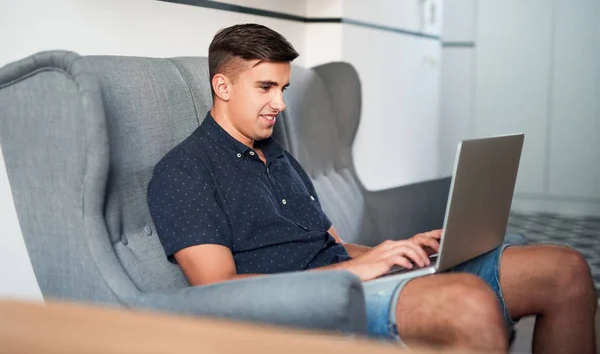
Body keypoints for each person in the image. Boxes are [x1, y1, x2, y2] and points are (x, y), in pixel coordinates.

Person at [147, 23, 597, 353]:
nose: (280, 104)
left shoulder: (278, 156)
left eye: (283, 88)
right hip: (311, 306)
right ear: (221, 85)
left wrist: (392, 251)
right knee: (468, 303)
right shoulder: (184, 172)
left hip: (355, 282)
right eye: (266, 87)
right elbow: (216, 288)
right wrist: (353, 273)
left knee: (565, 270)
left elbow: (331, 245)